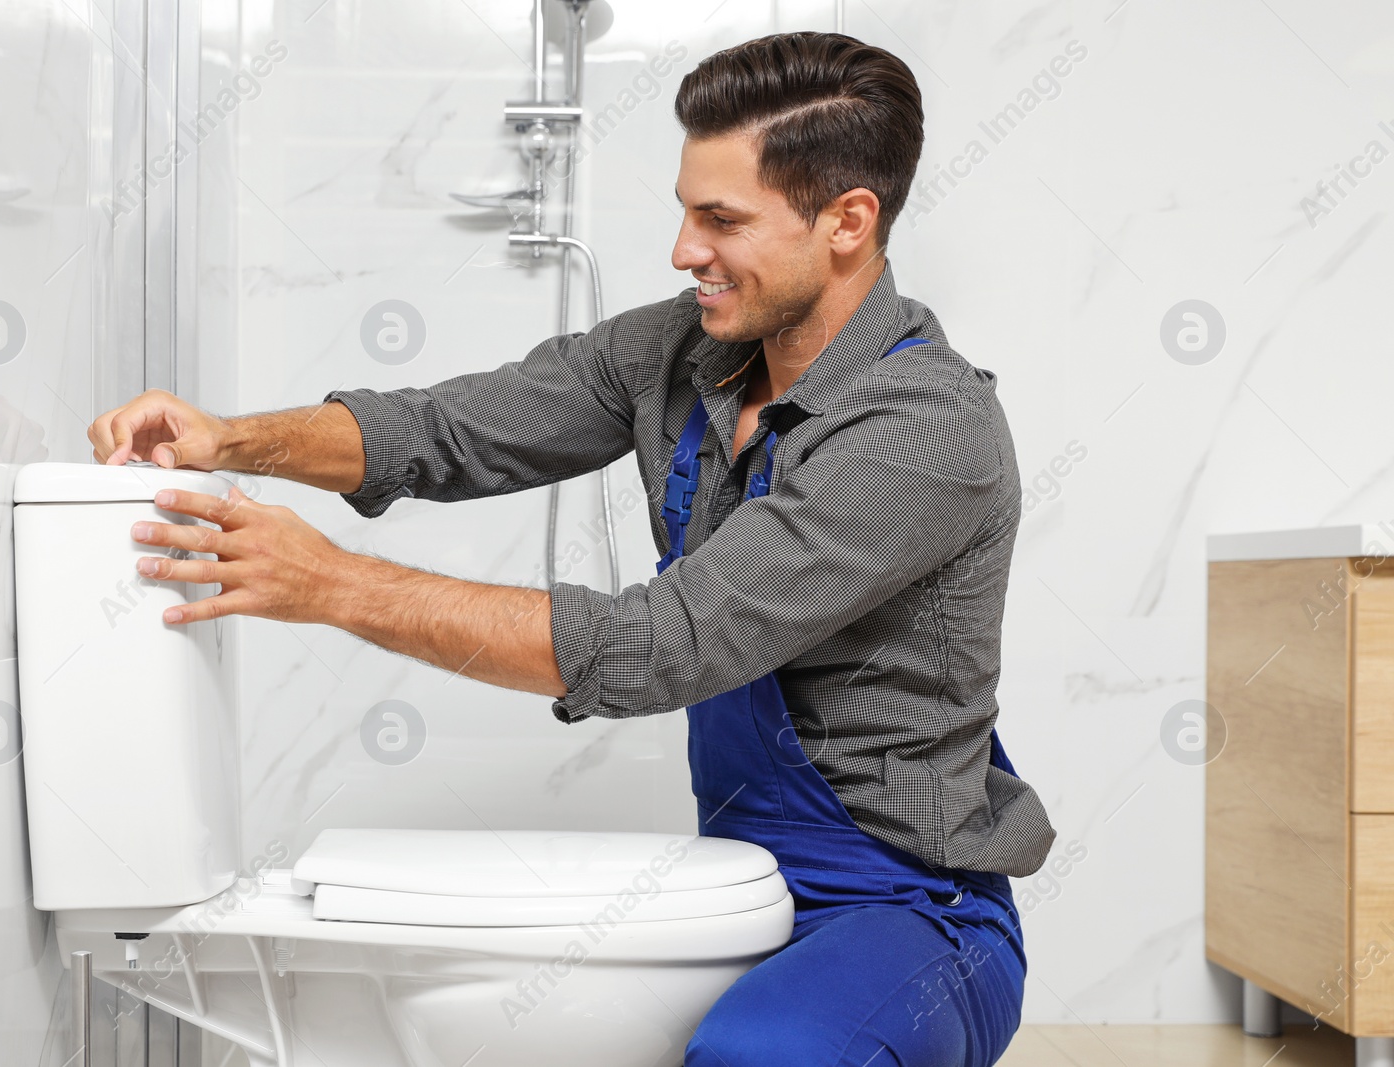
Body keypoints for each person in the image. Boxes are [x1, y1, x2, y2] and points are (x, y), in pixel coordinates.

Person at [87, 31, 1056, 1067]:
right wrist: (230, 438)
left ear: (847, 222)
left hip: (912, 908)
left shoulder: (922, 428)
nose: (683, 249)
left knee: (760, 1055)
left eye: (720, 219)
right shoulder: (684, 351)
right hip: (743, 878)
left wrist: (326, 583)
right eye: (687, 209)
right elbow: (446, 429)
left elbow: (658, 648)